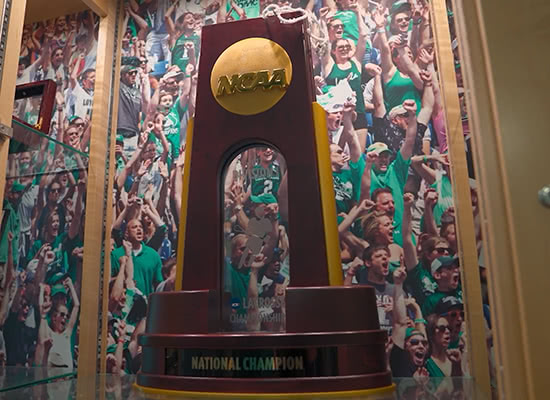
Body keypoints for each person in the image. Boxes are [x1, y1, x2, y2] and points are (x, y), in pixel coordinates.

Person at [389, 265, 429, 377]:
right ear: (404, 346)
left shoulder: (425, 365)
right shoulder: (399, 364)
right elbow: (399, 323)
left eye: (423, 343)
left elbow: (422, 334)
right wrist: (398, 284)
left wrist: (416, 308)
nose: (421, 346)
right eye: (414, 343)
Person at [110, 219, 163, 297]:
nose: (139, 229)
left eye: (141, 227)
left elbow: (158, 284)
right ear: (126, 233)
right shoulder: (116, 254)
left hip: (144, 305)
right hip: (121, 305)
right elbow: (109, 280)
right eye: (134, 227)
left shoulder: (153, 255)